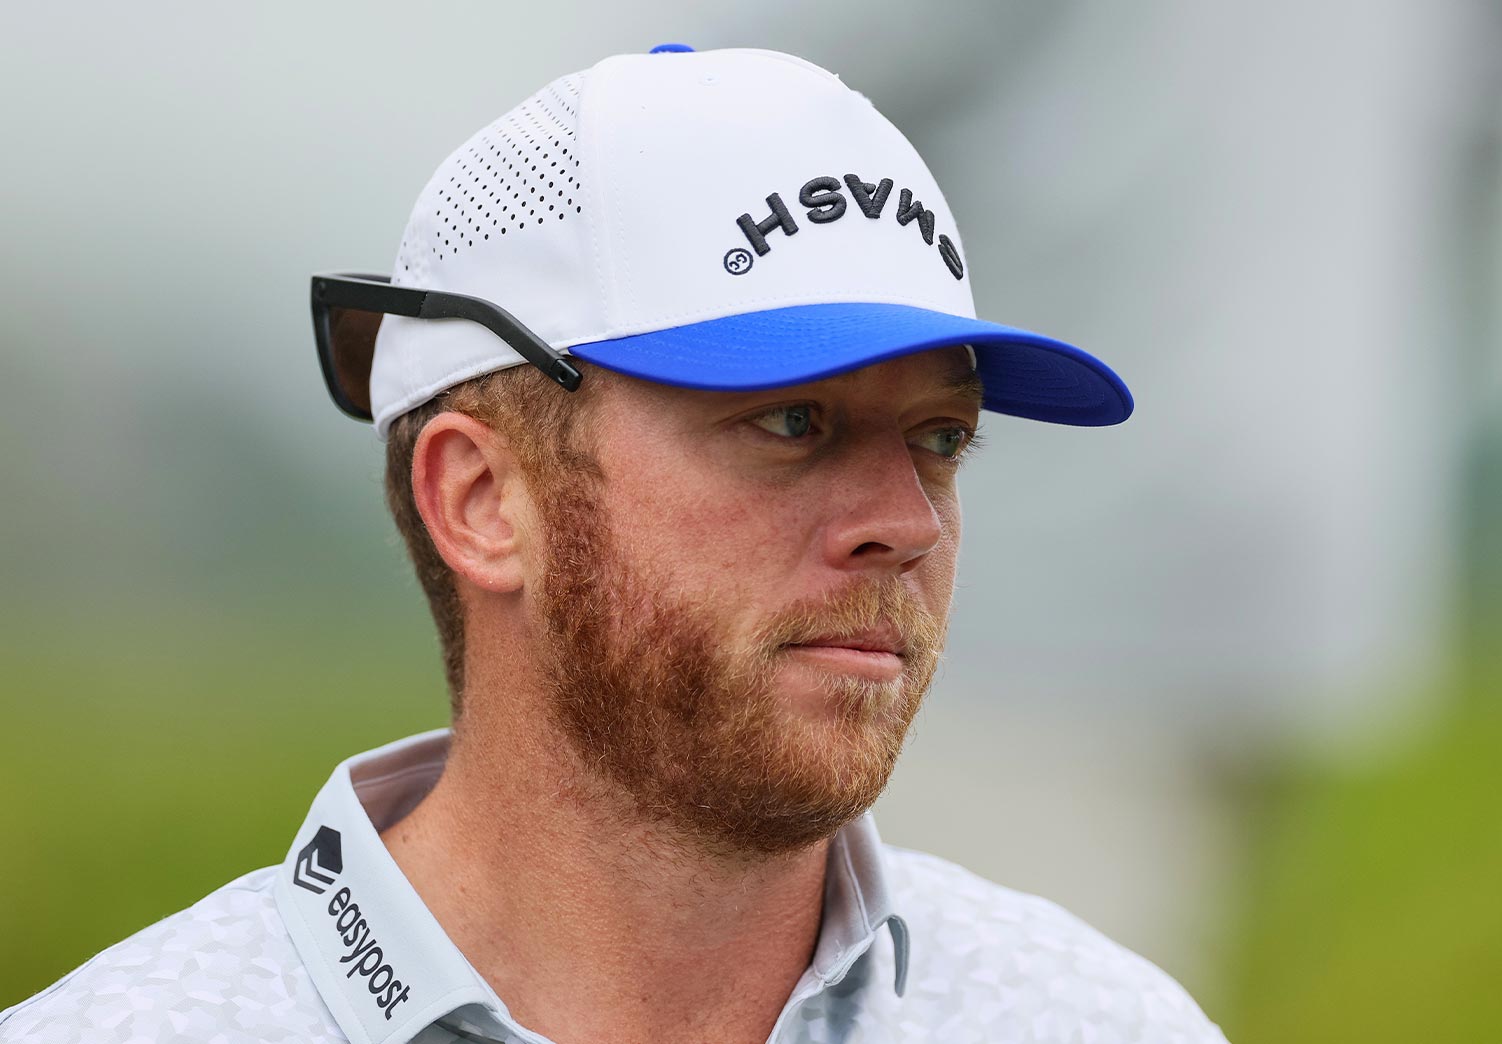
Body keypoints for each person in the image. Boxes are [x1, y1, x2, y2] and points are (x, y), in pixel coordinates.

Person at [0, 45, 1227, 1044]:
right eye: (792, 422)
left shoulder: (1095, 1023)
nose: (905, 524)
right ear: (483, 499)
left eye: (940, 439)